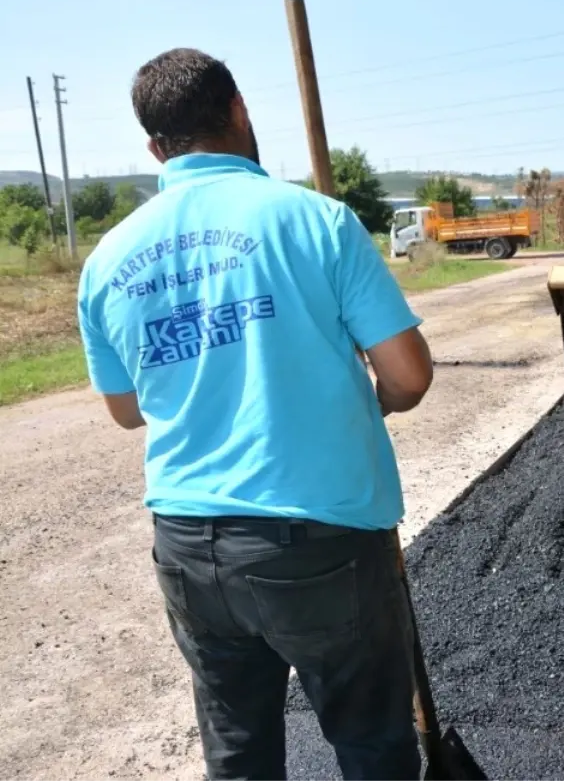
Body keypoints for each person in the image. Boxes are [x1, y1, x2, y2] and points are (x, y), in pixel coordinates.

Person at [75, 48, 433, 780]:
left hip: (187, 548)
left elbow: (125, 411)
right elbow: (409, 374)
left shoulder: (107, 260)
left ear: (154, 147)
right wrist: (376, 404)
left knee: (238, 756)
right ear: (239, 109)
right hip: (322, 543)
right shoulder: (318, 222)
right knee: (373, 746)